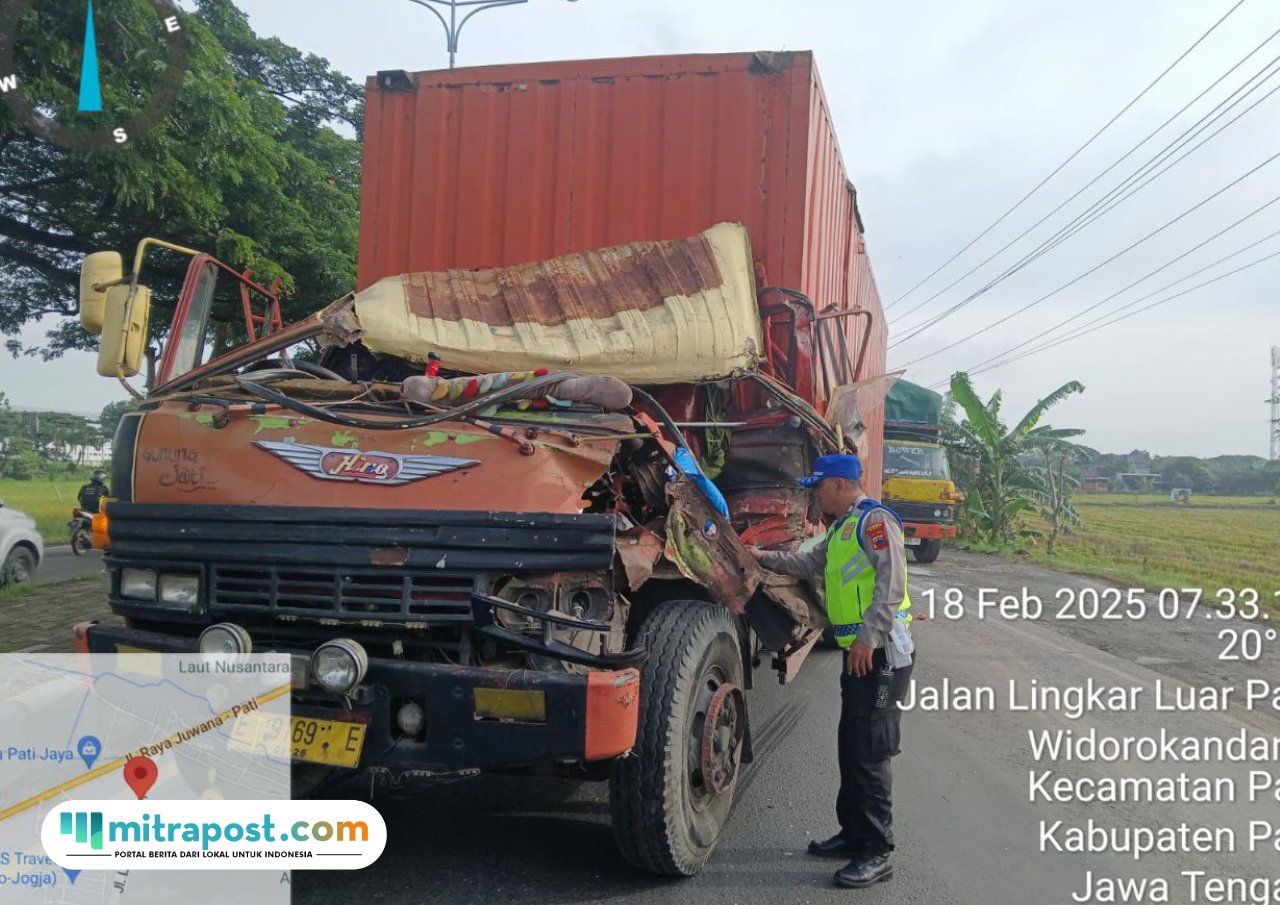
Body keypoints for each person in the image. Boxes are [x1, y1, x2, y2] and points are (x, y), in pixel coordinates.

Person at [747, 452, 914, 889]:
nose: (813, 496)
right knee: (850, 745)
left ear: (840, 485)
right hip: (858, 653)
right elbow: (809, 564)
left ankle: (877, 851)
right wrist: (761, 557)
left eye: (818, 487)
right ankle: (853, 834)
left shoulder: (875, 522)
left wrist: (867, 638)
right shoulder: (842, 528)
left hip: (879, 654)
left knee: (871, 751)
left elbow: (890, 583)